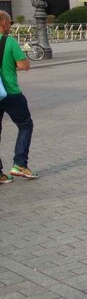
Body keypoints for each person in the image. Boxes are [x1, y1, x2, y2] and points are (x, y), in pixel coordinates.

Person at [0, 11, 38, 182]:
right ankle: (20, 164)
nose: (10, 26)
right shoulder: (9, 41)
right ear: (3, 23)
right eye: (10, 23)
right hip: (10, 93)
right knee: (25, 125)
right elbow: (24, 65)